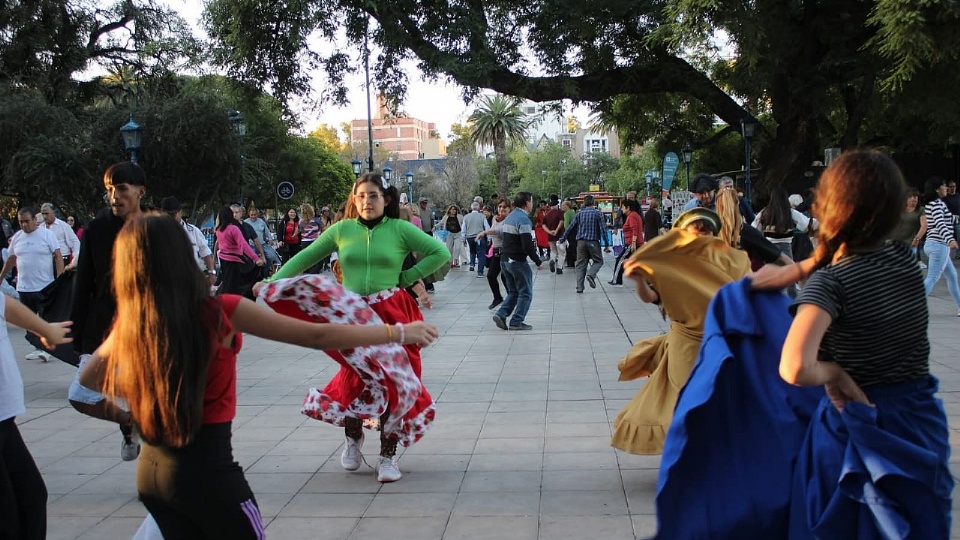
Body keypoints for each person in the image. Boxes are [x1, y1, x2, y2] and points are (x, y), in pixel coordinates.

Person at [77, 214, 440, 539]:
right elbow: (315, 335)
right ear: (181, 258)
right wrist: (396, 333)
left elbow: (85, 388)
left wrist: (131, 415)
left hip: (151, 475)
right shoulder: (221, 312)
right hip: (209, 475)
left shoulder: (133, 323)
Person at [750, 149, 952, 539]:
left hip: (856, 426)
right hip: (917, 422)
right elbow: (836, 259)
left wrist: (835, 372)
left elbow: (794, 366)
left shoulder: (831, 282)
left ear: (827, 207)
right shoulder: (903, 260)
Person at [264, 172, 449, 483]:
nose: (367, 202)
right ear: (354, 199)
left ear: (385, 199)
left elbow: (440, 253)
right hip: (351, 315)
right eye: (361, 196)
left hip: (392, 311)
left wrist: (407, 277)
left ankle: (388, 456)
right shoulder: (342, 230)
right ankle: (353, 438)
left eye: (373, 196)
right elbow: (305, 257)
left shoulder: (400, 228)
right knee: (355, 378)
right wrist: (271, 282)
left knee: (395, 382)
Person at [611, 208, 750, 455]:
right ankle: (687, 450)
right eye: (696, 230)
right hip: (685, 346)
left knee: (718, 398)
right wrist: (639, 280)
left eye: (707, 230)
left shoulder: (732, 262)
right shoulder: (672, 265)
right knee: (684, 399)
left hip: (721, 342)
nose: (702, 235)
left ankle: (712, 450)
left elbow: (747, 298)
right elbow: (652, 297)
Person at [69, 161, 146, 461]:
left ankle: (162, 469)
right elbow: (83, 282)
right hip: (105, 326)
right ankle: (128, 422)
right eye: (110, 189)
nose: (115, 196)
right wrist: (77, 334)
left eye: (122, 189)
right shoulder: (97, 229)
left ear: (140, 192)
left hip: (148, 325)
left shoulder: (157, 227)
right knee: (80, 395)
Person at [0, 294, 72, 540]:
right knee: (8, 519)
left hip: (4, 419)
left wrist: (44, 329)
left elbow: (4, 304)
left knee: (30, 500)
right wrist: (45, 329)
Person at [0, 208, 64, 363]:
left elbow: (58, 256)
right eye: (21, 222)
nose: (24, 225)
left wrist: (60, 278)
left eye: (27, 221)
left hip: (44, 286)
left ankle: (47, 349)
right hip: (24, 287)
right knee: (29, 321)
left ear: (35, 220)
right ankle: (38, 348)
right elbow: (11, 259)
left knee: (44, 319)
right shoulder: (17, 237)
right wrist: (1, 277)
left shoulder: (46, 235)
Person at [492, 192, 542, 331]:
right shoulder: (523, 219)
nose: (532, 204)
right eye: (531, 201)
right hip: (517, 261)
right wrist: (537, 260)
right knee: (525, 292)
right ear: (527, 203)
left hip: (504, 259)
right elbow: (527, 244)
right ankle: (516, 321)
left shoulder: (510, 217)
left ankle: (501, 314)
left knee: (513, 291)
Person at [921, 176, 960, 313]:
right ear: (937, 189)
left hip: (934, 244)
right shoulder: (936, 205)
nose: (946, 188)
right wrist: (950, 240)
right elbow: (940, 224)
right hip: (939, 245)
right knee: (932, 278)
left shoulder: (935, 204)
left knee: (952, 276)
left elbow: (950, 219)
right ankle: (911, 307)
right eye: (943, 186)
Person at [161, 196, 217, 287]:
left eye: (173, 214)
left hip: (191, 279)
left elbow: (206, 253)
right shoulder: (158, 232)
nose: (170, 217)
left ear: (180, 212)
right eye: (167, 215)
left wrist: (212, 273)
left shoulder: (193, 231)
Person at [215, 206, 264, 299]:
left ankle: (223, 301)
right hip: (235, 261)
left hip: (224, 260)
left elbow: (218, 245)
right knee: (243, 284)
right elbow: (243, 245)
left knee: (228, 284)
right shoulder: (233, 228)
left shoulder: (218, 229)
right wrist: (256, 258)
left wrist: (214, 258)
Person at [559, 195, 605, 293]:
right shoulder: (598, 213)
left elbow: (570, 227)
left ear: (584, 203)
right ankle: (591, 274)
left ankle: (579, 288)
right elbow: (603, 229)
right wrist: (607, 243)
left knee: (580, 264)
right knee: (598, 261)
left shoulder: (579, 214)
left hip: (580, 243)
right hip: (593, 242)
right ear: (593, 202)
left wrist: (563, 238)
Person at [477, 200, 511, 310]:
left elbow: (500, 231)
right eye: (500, 206)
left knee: (505, 277)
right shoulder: (495, 218)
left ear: (509, 209)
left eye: (505, 207)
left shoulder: (509, 220)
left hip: (506, 251)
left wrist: (485, 232)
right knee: (491, 275)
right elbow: (493, 230)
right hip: (496, 251)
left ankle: (511, 298)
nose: (502, 209)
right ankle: (497, 298)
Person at [888, 187, 926, 268]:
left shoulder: (921, 210)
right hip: (897, 242)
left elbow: (924, 225)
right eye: (910, 197)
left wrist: (917, 238)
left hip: (911, 243)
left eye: (915, 197)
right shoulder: (900, 209)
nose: (913, 199)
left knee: (908, 265)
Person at [609, 199, 643, 287]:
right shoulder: (634, 215)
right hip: (635, 242)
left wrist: (633, 243)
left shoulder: (632, 216)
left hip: (631, 243)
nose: (621, 209)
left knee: (620, 260)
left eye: (623, 207)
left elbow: (634, 229)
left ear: (628, 208)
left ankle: (617, 280)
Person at [39, 203, 80, 269]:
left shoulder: (63, 226)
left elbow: (74, 242)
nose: (44, 216)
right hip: (45, 261)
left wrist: (75, 259)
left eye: (46, 214)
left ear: (53, 212)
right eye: (42, 214)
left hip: (62, 259)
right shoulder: (40, 228)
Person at [542, 196, 566, 275]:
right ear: (557, 205)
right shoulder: (560, 213)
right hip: (560, 236)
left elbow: (543, 225)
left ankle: (552, 260)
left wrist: (549, 232)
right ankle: (559, 268)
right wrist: (556, 230)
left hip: (550, 236)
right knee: (561, 252)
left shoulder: (547, 214)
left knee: (553, 250)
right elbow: (561, 222)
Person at [462, 201, 488, 274]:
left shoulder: (466, 217)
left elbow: (463, 229)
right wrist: (489, 238)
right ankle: (480, 272)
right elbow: (487, 227)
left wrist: (463, 239)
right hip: (480, 236)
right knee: (481, 254)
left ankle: (472, 264)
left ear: (471, 208)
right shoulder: (482, 216)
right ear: (479, 208)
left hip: (470, 237)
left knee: (472, 251)